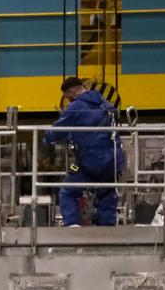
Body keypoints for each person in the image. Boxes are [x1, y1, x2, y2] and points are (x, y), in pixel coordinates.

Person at [44, 76, 119, 226]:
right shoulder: (105, 104)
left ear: (71, 93)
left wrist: (46, 139)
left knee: (68, 192)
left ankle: (73, 227)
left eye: (67, 97)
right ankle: (108, 232)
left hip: (91, 161)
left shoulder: (76, 106)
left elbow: (58, 131)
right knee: (107, 194)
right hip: (114, 160)